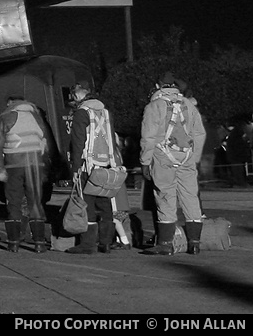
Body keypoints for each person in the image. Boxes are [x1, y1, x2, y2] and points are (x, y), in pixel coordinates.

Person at [139, 78, 206, 255]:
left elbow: (148, 138)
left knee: (165, 197)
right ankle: (194, 242)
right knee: (190, 197)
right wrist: (195, 158)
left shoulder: (154, 106)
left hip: (162, 157)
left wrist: (145, 162)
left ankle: (166, 243)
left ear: (159, 88)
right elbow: (199, 133)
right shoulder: (189, 105)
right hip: (187, 157)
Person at [66, 83, 125, 254]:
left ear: (77, 96)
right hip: (105, 165)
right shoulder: (106, 112)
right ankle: (106, 243)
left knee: (87, 204)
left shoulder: (81, 113)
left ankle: (87, 244)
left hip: (87, 166)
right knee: (104, 203)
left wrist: (75, 169)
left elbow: (78, 143)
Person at [0, 94, 51, 253]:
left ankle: (13, 243)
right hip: (35, 165)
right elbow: (45, 143)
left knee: (14, 202)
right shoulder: (37, 117)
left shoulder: (5, 117)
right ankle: (39, 243)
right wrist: (44, 167)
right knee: (35, 202)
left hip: (14, 165)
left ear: (11, 104)